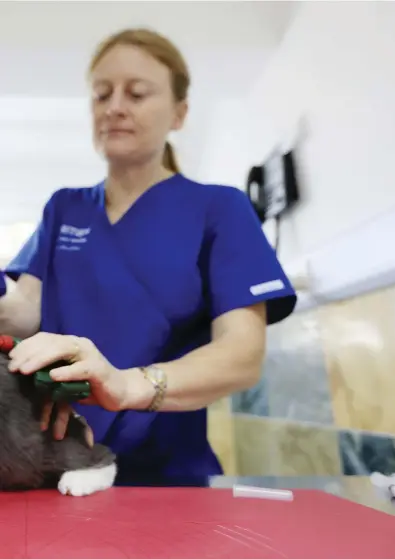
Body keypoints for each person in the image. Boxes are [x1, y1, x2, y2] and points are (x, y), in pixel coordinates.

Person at [0, 28, 297, 485]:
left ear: (179, 113)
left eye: (136, 93)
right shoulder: (65, 208)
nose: (114, 106)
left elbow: (241, 354)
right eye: (101, 95)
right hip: (53, 466)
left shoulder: (219, 209)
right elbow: (22, 311)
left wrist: (127, 385)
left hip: (169, 478)